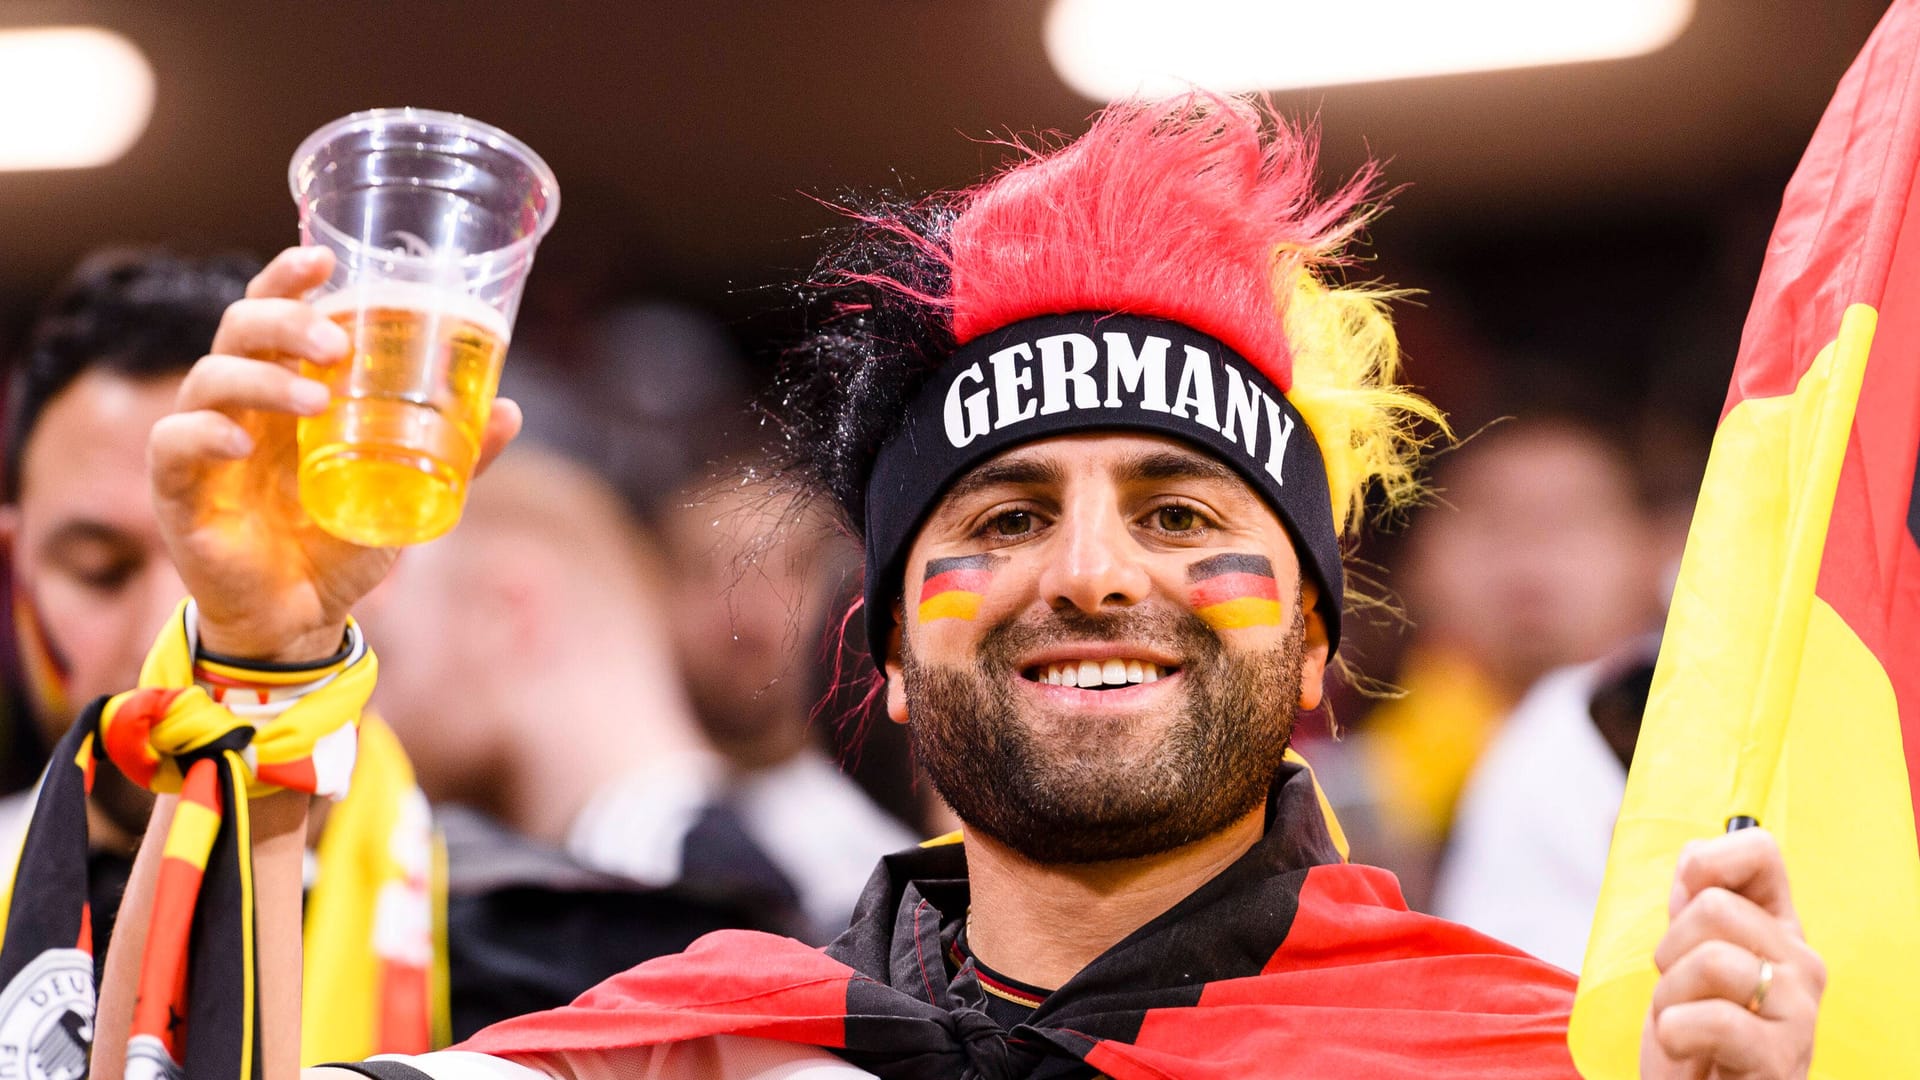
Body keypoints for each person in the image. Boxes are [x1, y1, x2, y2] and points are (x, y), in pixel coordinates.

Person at [96, 98, 1818, 1079]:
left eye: (1175, 512)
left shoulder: (1541, 1064)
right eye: (993, 522)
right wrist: (263, 650)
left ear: (1310, 647)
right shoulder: (684, 1055)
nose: (1085, 575)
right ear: (897, 668)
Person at [0, 251, 787, 1061]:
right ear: (15, 568)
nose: (167, 629)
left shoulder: (595, 968)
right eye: (101, 570)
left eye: (247, 549)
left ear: (376, 552)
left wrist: (265, 678)